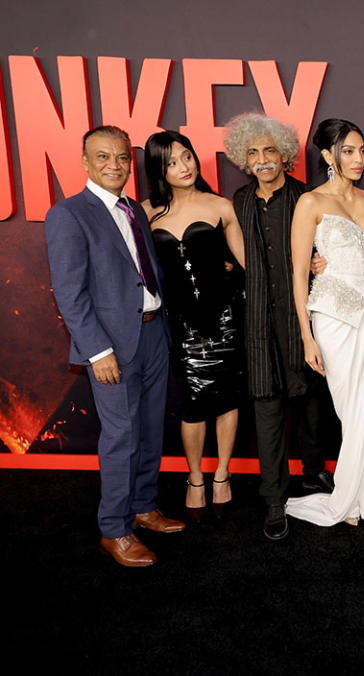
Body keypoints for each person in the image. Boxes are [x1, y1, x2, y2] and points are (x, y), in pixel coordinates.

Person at [44, 125, 184, 567]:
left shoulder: (133, 210)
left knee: (149, 427)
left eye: (122, 158)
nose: (114, 165)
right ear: (85, 162)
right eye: (103, 157)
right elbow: (70, 293)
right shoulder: (68, 214)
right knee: (121, 435)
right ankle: (114, 529)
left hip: (152, 332)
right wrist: (97, 351)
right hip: (111, 346)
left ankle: (143, 506)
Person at [224, 113, 334, 541]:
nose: (262, 159)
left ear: (285, 155)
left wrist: (322, 262)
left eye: (270, 150)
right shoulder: (239, 201)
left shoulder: (307, 197)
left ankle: (314, 474)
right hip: (257, 324)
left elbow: (331, 248)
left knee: (310, 404)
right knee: (267, 407)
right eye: (253, 152)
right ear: (243, 159)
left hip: (301, 319)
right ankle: (274, 500)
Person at [285, 119, 364, 529]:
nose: (358, 159)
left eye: (362, 151)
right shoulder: (310, 203)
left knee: (362, 408)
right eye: (348, 151)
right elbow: (299, 272)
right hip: (332, 314)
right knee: (353, 408)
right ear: (328, 156)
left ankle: (352, 502)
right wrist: (306, 336)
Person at [143, 130, 245, 521]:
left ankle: (222, 473)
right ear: (159, 169)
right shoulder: (146, 211)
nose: (183, 167)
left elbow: (248, 264)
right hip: (182, 326)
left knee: (227, 400)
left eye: (186, 157)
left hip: (225, 320)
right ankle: (195, 477)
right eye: (170, 162)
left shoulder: (221, 205)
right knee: (193, 405)